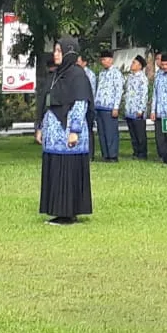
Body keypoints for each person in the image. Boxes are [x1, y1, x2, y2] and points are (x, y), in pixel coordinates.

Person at [36, 37, 93, 225]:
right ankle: (59, 211)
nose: (56, 54)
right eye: (55, 50)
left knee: (67, 171)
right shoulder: (56, 75)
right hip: (53, 135)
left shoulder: (78, 76)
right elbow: (46, 101)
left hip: (68, 133)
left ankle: (68, 213)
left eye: (60, 51)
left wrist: (74, 130)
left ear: (70, 52)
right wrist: (40, 127)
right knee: (56, 170)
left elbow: (80, 103)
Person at [123, 55, 149, 160]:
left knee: (140, 133)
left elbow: (144, 94)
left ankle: (142, 153)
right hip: (129, 108)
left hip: (137, 110)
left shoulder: (142, 78)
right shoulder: (130, 77)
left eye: (134, 63)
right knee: (133, 133)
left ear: (139, 66)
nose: (131, 65)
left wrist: (141, 109)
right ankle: (136, 152)